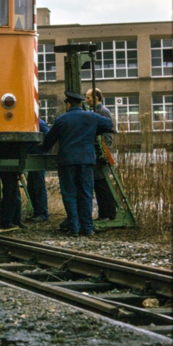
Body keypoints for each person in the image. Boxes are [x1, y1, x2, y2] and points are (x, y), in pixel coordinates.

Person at [41, 90, 114, 236]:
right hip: (86, 160)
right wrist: (94, 130)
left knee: (70, 194)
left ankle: (74, 228)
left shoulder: (61, 120)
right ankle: (87, 228)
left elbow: (49, 141)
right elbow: (109, 125)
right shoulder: (92, 117)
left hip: (67, 161)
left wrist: (40, 149)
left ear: (68, 104)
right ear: (80, 103)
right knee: (86, 193)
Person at [85, 87, 116, 221]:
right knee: (99, 184)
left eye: (88, 98)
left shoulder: (103, 111)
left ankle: (109, 214)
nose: (86, 101)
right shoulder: (96, 111)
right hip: (96, 152)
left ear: (96, 98)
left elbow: (108, 133)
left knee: (103, 184)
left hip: (101, 153)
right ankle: (104, 214)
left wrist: (105, 152)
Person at [26, 118, 50, 222]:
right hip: (33, 156)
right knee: (32, 186)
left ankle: (42, 213)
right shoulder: (35, 122)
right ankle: (38, 212)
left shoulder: (38, 123)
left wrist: (44, 152)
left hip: (37, 157)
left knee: (38, 185)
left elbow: (49, 138)